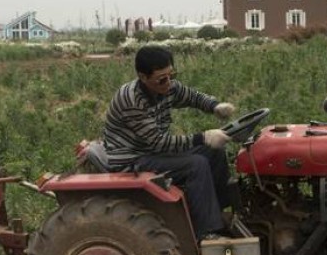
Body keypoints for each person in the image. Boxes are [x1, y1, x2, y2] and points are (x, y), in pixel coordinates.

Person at [102, 45, 237, 240]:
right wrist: (203, 137)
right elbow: (159, 143)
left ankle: (220, 214)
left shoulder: (166, 87)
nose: (168, 83)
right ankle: (207, 234)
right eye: (162, 79)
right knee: (196, 165)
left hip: (151, 152)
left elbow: (192, 97)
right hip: (133, 160)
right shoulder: (131, 100)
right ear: (143, 77)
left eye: (171, 75)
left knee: (214, 152)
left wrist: (215, 106)